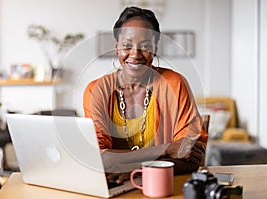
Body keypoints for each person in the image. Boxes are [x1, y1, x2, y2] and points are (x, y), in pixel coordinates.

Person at [83, 6, 208, 184]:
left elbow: (189, 159)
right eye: (127, 45)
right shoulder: (96, 90)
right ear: (117, 47)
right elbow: (100, 159)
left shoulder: (174, 84)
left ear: (155, 48)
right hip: (115, 189)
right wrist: (167, 149)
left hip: (164, 187)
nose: (135, 54)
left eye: (145, 46)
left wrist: (134, 169)